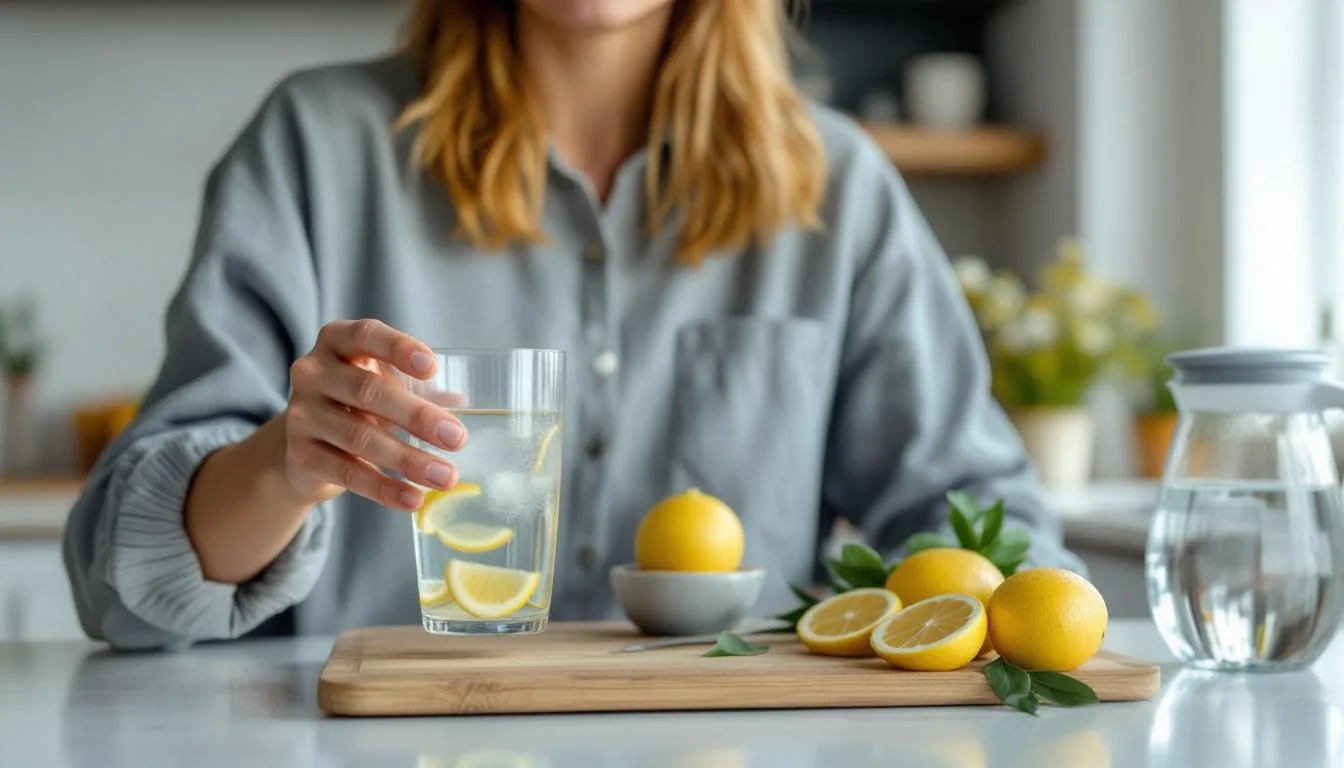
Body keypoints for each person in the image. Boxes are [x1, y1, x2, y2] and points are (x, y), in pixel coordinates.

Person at [63, 0, 1080, 650]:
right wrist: (286, 464)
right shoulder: (314, 149)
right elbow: (119, 585)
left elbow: (981, 521)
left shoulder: (841, 185)